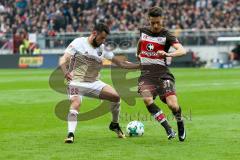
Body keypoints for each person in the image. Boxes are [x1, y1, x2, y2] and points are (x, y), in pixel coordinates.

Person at [59, 23, 140, 143]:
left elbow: (121, 63)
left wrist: (139, 66)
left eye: (105, 38)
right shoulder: (78, 42)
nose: (103, 41)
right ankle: (70, 134)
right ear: (94, 33)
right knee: (76, 103)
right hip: (76, 83)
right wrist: (65, 72)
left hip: (93, 82)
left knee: (116, 97)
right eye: (102, 38)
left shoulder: (102, 49)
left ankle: (114, 124)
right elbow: (63, 59)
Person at [136, 7, 187, 141]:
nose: (155, 26)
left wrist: (167, 53)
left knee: (173, 105)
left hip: (162, 74)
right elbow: (140, 42)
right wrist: (138, 54)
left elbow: (182, 50)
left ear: (162, 20)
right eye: (153, 23)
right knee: (147, 99)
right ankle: (168, 129)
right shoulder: (143, 32)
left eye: (158, 22)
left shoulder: (167, 35)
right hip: (146, 75)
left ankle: (180, 122)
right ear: (149, 20)